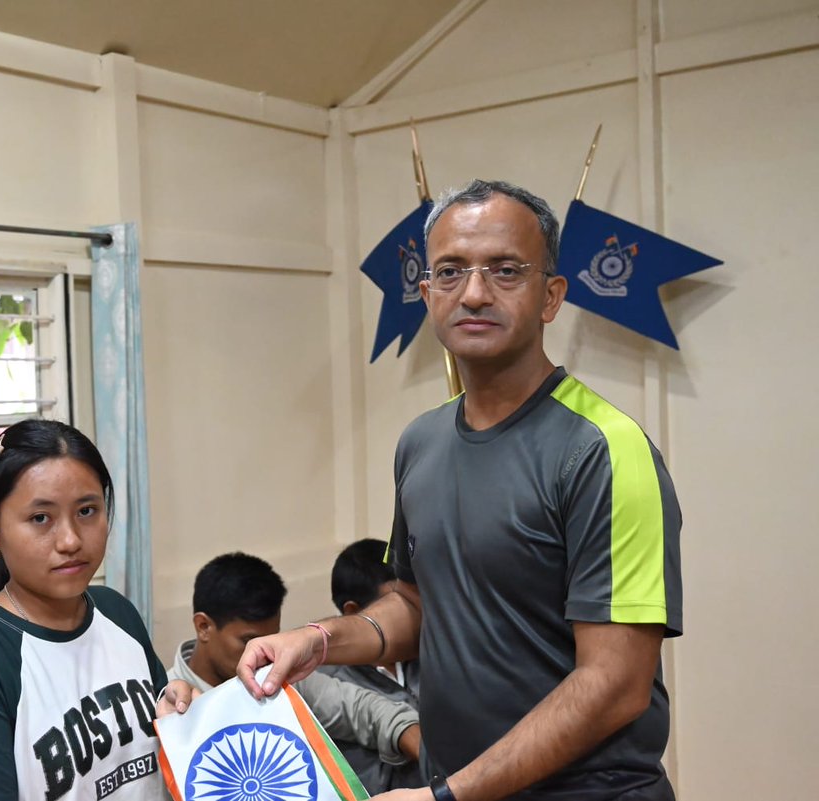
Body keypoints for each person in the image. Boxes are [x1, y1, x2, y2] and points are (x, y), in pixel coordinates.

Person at [238, 180, 683, 801]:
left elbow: (615, 684)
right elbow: (421, 608)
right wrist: (315, 641)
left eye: (505, 270)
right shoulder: (420, 442)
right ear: (427, 295)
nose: (474, 292)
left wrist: (447, 796)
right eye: (450, 272)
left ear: (551, 296)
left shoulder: (604, 450)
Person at [0, 419, 194, 800]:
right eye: (40, 518)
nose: (70, 540)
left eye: (86, 511)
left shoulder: (117, 612)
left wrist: (181, 718)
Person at [167, 552, 422, 769]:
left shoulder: (276, 677)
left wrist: (410, 735)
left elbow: (359, 708)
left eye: (271, 640)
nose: (261, 657)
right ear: (203, 626)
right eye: (248, 642)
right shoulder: (167, 704)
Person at [320, 539, 424, 795]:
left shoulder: (429, 652)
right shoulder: (329, 686)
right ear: (353, 611)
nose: (412, 614)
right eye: (394, 606)